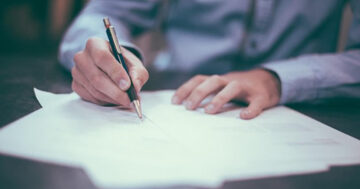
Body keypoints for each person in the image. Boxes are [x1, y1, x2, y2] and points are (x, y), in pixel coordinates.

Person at [59, 0, 360, 119]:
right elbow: (102, 14)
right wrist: (112, 57)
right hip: (177, 98)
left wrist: (276, 78)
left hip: (302, 108)